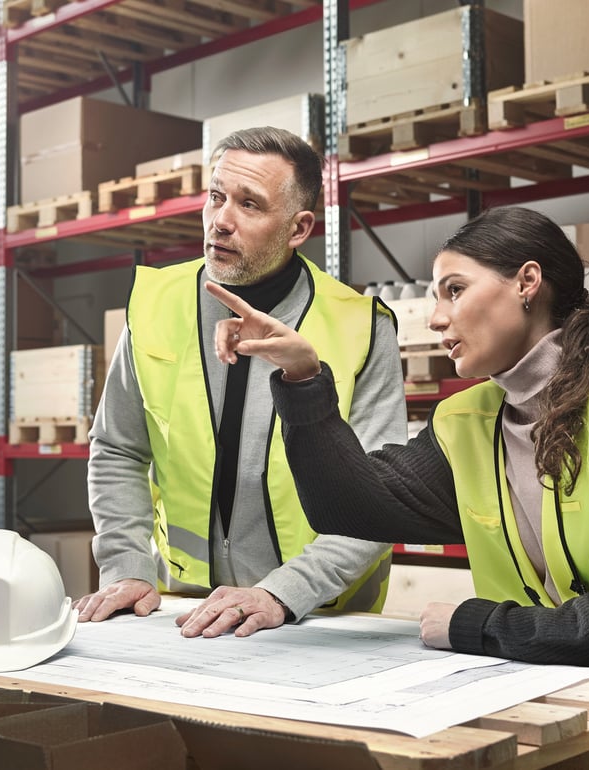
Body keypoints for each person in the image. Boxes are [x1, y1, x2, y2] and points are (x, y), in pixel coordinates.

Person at [204, 205, 589, 665]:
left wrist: (474, 625)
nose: (435, 318)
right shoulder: (469, 420)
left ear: (527, 282)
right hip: (543, 684)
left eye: (455, 291)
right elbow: (348, 507)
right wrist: (302, 377)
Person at [74, 126, 408, 638]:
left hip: (320, 618)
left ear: (298, 229)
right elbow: (118, 448)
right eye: (215, 197)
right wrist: (127, 568)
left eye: (249, 205)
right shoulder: (156, 304)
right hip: (184, 610)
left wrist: (284, 592)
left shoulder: (360, 325)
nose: (220, 221)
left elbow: (381, 494)